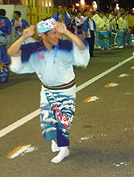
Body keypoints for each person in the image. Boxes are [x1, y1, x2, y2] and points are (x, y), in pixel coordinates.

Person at [7, 18, 90, 163]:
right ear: (43, 35)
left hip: (66, 91)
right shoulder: (34, 48)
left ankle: (64, 148)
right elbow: (12, 52)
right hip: (47, 90)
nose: (57, 36)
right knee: (48, 121)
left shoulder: (64, 45)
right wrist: (24, 37)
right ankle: (56, 141)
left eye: (58, 33)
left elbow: (82, 47)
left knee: (63, 121)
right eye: (53, 33)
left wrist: (67, 33)